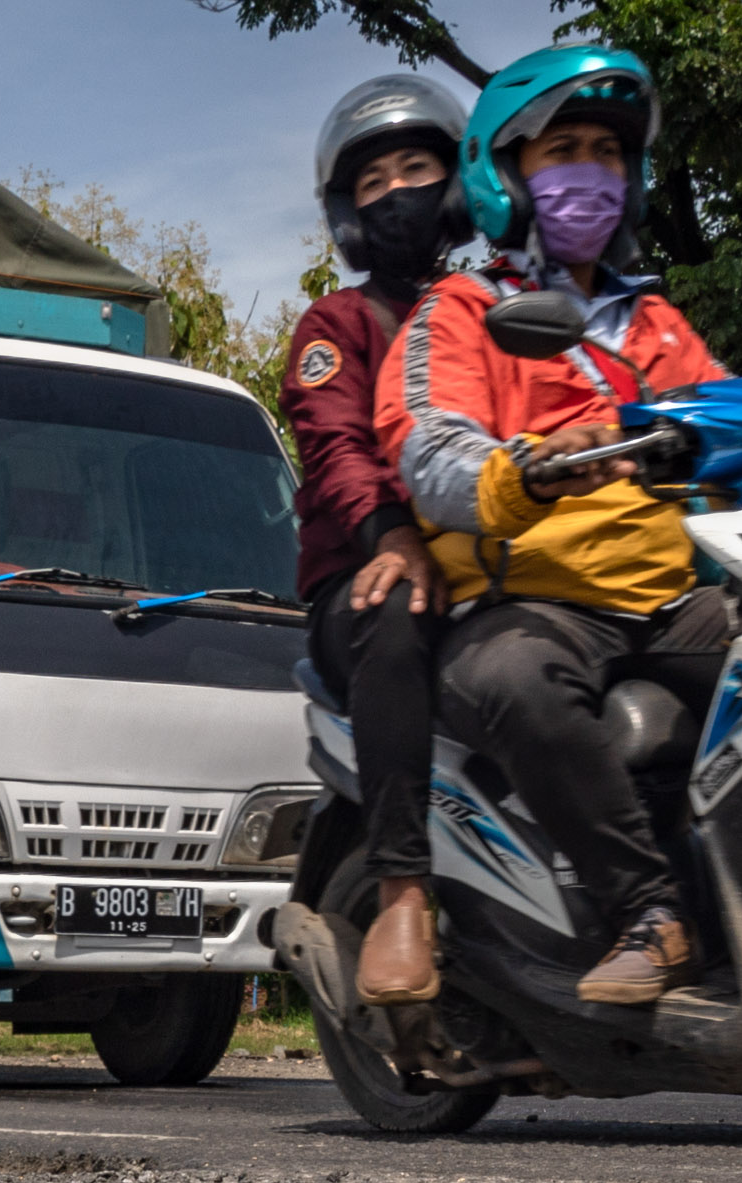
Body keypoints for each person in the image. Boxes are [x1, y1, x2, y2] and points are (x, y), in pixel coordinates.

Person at [384, 44, 729, 1005]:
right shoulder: (459, 314)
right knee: (512, 680)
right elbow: (428, 448)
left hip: (668, 600)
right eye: (562, 149)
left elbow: (735, 416)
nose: (590, 171)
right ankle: (649, 914)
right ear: (507, 175)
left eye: (608, 153)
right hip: (528, 600)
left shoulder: (657, 323)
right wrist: (521, 471)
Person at [282, 72, 468, 1007]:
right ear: (348, 211)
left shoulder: (494, 313)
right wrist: (392, 532)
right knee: (396, 608)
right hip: (359, 586)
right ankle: (403, 892)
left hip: (481, 573)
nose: (399, 190)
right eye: (373, 180)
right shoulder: (338, 325)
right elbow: (334, 446)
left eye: (418, 166)